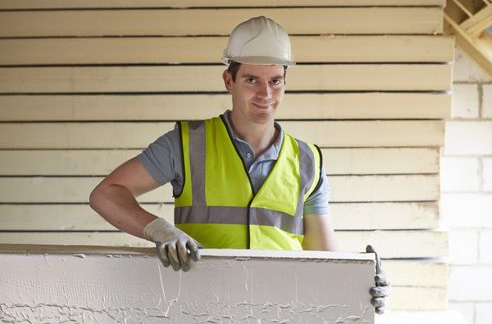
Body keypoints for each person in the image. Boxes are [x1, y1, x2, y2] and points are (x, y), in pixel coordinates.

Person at [89, 16, 388, 314]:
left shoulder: (308, 161)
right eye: (251, 80)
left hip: (281, 315)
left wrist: (361, 286)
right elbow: (106, 194)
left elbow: (323, 261)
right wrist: (159, 230)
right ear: (228, 80)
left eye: (275, 81)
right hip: (203, 311)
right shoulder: (186, 144)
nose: (265, 94)